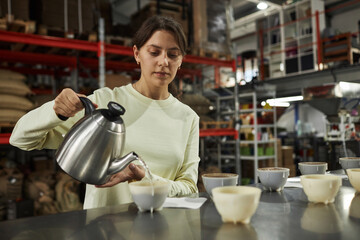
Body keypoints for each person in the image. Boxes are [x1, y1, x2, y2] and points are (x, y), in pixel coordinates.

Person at [9, 15, 200, 209]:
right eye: (154, 52)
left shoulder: (188, 118)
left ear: (180, 61)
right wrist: (55, 111)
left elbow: (189, 188)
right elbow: (20, 138)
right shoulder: (103, 102)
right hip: (104, 229)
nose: (164, 61)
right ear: (137, 54)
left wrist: (143, 177)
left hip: (164, 230)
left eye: (173, 55)